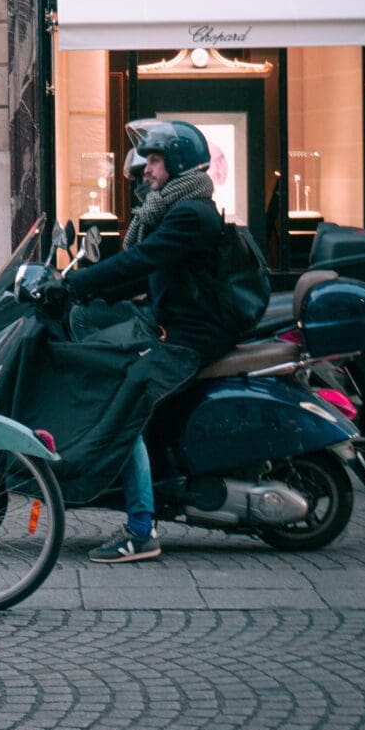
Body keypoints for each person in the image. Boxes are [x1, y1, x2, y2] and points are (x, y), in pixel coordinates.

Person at [64, 119, 235, 564]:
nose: (145, 169)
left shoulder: (189, 214)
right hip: (174, 326)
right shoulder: (177, 209)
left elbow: (142, 258)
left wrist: (77, 285)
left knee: (125, 407)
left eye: (154, 160)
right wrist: (87, 290)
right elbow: (143, 271)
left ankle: (140, 530)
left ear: (177, 162)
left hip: (188, 338)